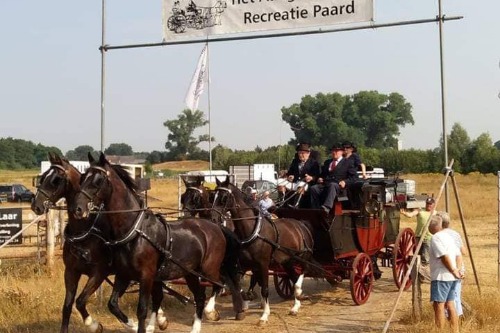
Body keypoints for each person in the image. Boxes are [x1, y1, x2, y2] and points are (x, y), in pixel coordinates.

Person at [428, 215, 463, 332]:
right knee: (451, 304)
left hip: (441, 276)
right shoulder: (448, 237)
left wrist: (453, 270)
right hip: (452, 277)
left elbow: (444, 256)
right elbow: (458, 255)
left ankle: (440, 331)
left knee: (439, 305)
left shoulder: (436, 238)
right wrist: (457, 270)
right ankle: (455, 330)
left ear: (433, 226)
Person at [309, 143, 357, 214]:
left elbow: (354, 177)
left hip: (339, 187)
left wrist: (345, 182)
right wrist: (320, 178)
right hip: (325, 185)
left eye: (337, 151)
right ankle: (315, 209)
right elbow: (322, 174)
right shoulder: (327, 162)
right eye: (333, 151)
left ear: (342, 152)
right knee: (314, 188)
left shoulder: (348, 163)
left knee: (332, 185)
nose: (334, 152)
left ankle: (326, 208)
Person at [438, 211, 467, 320]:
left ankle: (448, 321)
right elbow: (463, 252)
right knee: (456, 296)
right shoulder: (456, 234)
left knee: (444, 299)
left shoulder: (439, 236)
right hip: (459, 268)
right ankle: (457, 321)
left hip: (446, 269)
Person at [400, 197, 436, 266]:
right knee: (416, 256)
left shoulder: (435, 213)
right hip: (418, 237)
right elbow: (411, 215)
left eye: (430, 204)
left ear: (433, 205)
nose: (428, 205)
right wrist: (404, 213)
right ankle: (417, 273)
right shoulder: (420, 211)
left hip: (428, 238)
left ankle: (423, 274)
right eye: (427, 204)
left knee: (425, 258)